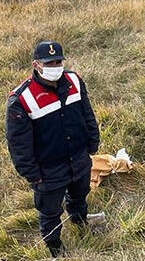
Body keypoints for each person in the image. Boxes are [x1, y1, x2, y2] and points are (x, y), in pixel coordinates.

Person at [5, 41, 100, 257]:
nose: (55, 66)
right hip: (48, 169)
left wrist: (93, 142)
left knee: (79, 196)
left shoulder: (74, 80)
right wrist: (32, 174)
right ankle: (55, 247)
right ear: (36, 65)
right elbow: (18, 143)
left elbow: (87, 113)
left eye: (58, 61)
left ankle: (79, 221)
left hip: (79, 158)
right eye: (49, 63)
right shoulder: (21, 99)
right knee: (49, 213)